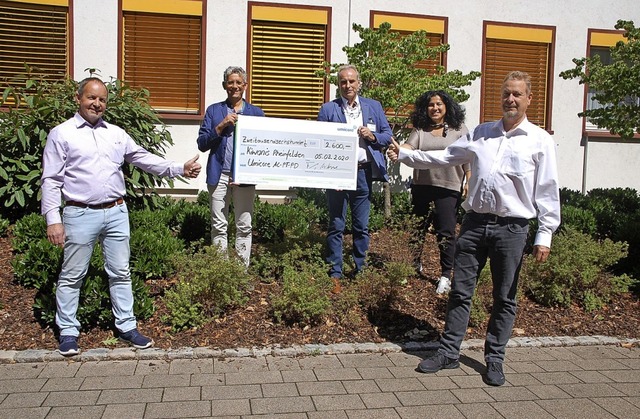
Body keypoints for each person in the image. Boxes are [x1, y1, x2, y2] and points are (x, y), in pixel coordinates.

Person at [387, 71, 560, 386]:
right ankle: (449, 353)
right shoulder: (481, 133)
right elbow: (445, 157)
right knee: (460, 291)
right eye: (506, 93)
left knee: (504, 298)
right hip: (474, 224)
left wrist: (544, 235)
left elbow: (547, 191)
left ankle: (494, 359)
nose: (510, 99)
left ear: (529, 99)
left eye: (517, 94)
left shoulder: (540, 141)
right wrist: (407, 155)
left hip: (513, 228)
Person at [41, 77, 202, 356]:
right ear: (78, 99)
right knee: (72, 275)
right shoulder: (62, 134)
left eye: (102, 99)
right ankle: (68, 331)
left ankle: (127, 326)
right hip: (80, 213)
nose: (97, 104)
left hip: (116, 211)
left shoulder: (115, 133)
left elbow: (142, 158)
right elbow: (51, 180)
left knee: (120, 272)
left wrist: (179, 168)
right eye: (91, 98)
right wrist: (52, 219)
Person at [317, 64, 393, 292]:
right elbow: (320, 142)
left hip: (363, 172)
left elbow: (387, 135)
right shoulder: (328, 109)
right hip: (337, 174)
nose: (347, 85)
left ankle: (361, 269)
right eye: (343, 82)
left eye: (351, 81)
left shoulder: (373, 107)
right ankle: (336, 272)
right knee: (336, 224)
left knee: (361, 225)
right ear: (338, 85)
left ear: (359, 83)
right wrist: (331, 175)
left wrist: (373, 136)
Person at [402, 90, 471, 294]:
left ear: (447, 107)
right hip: (422, 185)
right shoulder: (420, 130)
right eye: (431, 105)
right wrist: (399, 150)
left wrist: (469, 178)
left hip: (449, 187)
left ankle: (445, 275)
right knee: (417, 228)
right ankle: (414, 264)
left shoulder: (458, 130)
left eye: (439, 104)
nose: (435, 108)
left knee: (446, 232)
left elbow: (468, 156)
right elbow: (408, 146)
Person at [197, 66, 265, 267]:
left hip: (244, 177)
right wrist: (221, 126)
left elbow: (263, 147)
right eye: (230, 82)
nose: (234, 86)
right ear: (224, 85)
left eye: (238, 82)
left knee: (244, 225)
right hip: (219, 175)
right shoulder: (214, 111)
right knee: (219, 225)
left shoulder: (256, 113)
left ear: (245, 85)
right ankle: (222, 271)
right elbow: (201, 144)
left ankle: (240, 271)